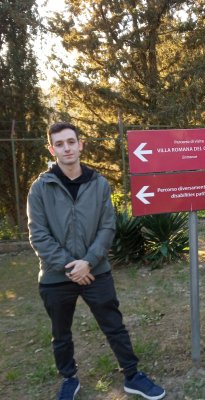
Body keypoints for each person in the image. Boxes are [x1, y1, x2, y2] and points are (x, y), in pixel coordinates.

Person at [27, 122, 166, 400]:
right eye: (59, 144)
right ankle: (69, 379)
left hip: (96, 271)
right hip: (56, 276)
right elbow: (38, 235)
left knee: (114, 326)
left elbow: (107, 226)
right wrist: (71, 266)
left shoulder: (99, 183)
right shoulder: (40, 188)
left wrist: (88, 262)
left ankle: (132, 375)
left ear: (80, 145)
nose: (66, 148)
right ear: (52, 149)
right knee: (61, 334)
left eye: (71, 142)